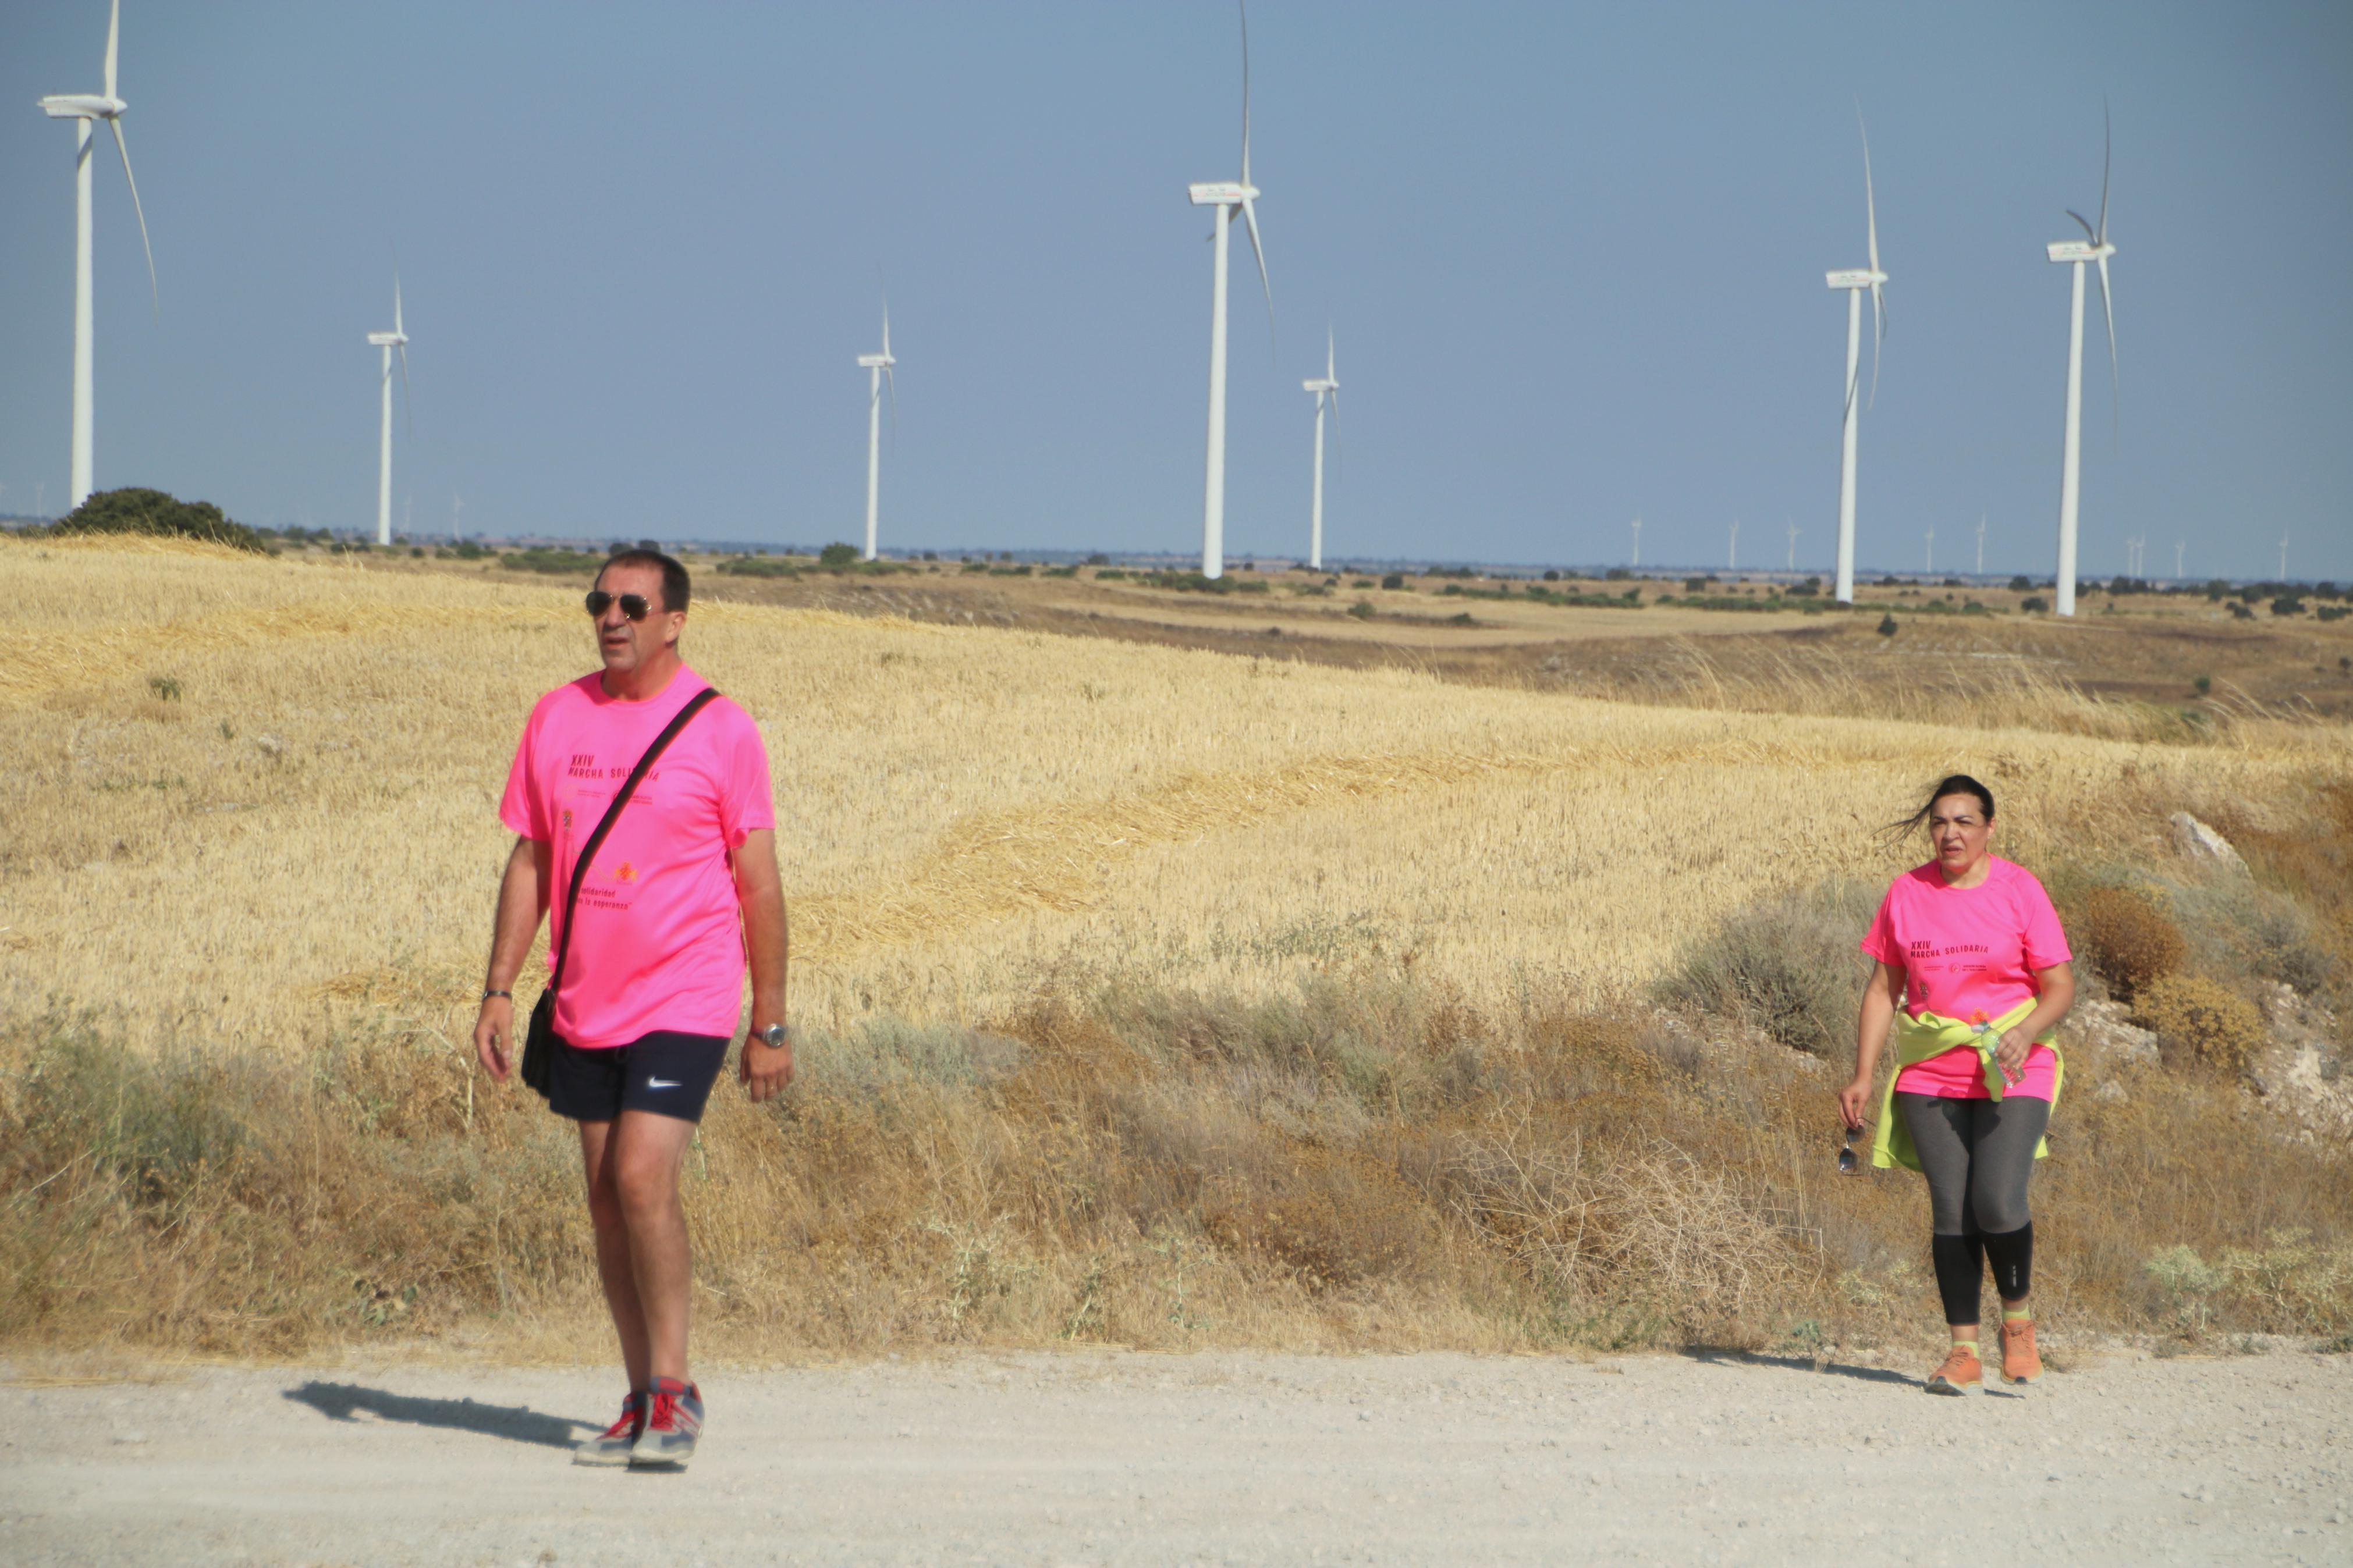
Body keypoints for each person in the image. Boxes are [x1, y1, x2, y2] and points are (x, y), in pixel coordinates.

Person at [472, 549, 793, 1468]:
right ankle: (636, 1390)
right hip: (584, 994)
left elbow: (759, 887)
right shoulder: (555, 715)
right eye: (599, 602)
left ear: (674, 619)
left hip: (686, 992)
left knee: (645, 1176)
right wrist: (498, 988)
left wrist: (767, 1022)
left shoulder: (722, 729)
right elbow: (532, 859)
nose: (611, 617)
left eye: (631, 604)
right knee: (607, 1199)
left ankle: (674, 1387)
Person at [1837, 773, 2075, 1396]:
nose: (1950, 833)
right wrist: (1863, 1073)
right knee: (1951, 1212)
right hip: (1929, 1067)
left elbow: (2058, 986)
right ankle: (1962, 1351)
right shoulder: (1905, 892)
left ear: (1988, 828)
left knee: (1996, 1201)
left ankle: (2017, 1327)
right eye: (1939, 822)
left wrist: (2025, 1031)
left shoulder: (2019, 888)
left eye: (1964, 821)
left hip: (2014, 1065)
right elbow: (1883, 988)